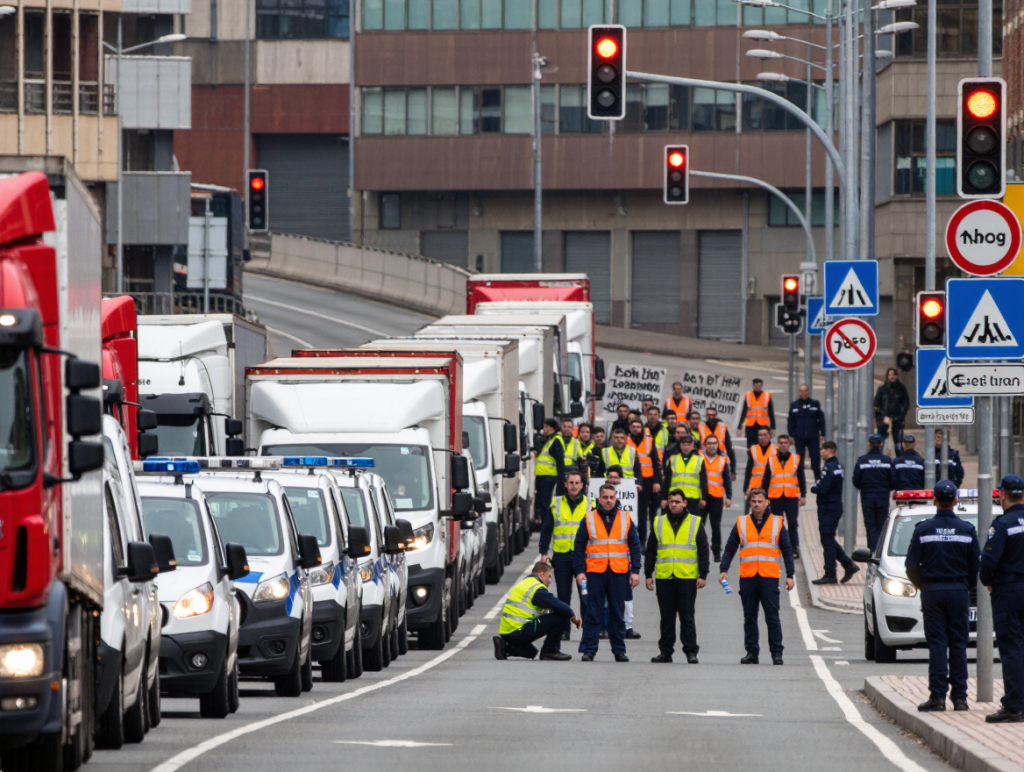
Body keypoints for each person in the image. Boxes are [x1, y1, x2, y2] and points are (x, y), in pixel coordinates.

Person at [905, 481, 980, 712]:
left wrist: (922, 585)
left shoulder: (923, 529)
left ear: (934, 500)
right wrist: (965, 586)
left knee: (937, 643)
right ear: (956, 501)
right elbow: (975, 566)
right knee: (958, 644)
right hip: (958, 592)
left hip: (932, 592)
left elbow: (910, 565)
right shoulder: (967, 530)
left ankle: (937, 697)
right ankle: (960, 698)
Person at [719, 488, 795, 665]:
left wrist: (790, 575)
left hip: (769, 577)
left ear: (767, 502)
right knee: (750, 617)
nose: (756, 504)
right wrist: (724, 569)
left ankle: (777, 653)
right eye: (753, 501)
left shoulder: (777, 522)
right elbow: (730, 547)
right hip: (748, 577)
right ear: (749, 502)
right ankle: (752, 652)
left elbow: (787, 550)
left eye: (760, 501)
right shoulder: (742, 523)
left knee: (772, 617)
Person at [573, 483, 642, 662]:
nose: (609, 500)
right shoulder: (589, 518)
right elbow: (578, 547)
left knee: (617, 613)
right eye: (605, 497)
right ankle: (589, 650)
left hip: (618, 572)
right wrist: (579, 572)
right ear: (599, 498)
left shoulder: (625, 518)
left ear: (616, 498)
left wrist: (635, 571)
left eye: (612, 497)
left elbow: (635, 545)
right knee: (592, 612)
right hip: (595, 572)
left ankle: (619, 650)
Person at [645, 490, 710, 664]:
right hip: (665, 577)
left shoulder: (695, 522)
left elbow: (703, 550)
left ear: (685, 503)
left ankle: (691, 651)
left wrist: (703, 574)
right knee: (666, 617)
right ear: (667, 502)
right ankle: (665, 652)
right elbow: (651, 550)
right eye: (671, 501)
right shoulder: (659, 522)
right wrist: (648, 574)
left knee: (687, 616)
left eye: (677, 501)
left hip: (687, 577)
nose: (674, 504)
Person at [980, 475, 1024, 723]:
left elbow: (988, 562)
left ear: (1002, 495)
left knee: (1012, 649)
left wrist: (988, 581)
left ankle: (1015, 705)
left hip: (1009, 592)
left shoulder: (1003, 525)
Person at [538, 470, 589, 642]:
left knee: (586, 595)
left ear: (582, 485)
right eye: (571, 482)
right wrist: (544, 553)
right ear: (565, 485)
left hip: (584, 559)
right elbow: (546, 530)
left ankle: (588, 630)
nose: (574, 485)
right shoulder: (555, 504)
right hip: (562, 558)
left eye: (577, 482)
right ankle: (564, 630)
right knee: (563, 596)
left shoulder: (590, 505)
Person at [493, 561, 581, 661]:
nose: (550, 580)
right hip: (518, 632)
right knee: (562, 616)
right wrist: (575, 619)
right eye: (549, 576)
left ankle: (505, 647)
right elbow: (563, 608)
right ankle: (550, 651)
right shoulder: (537, 590)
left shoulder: (524, 583)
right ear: (541, 575)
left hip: (507, 631)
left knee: (532, 652)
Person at [810, 441, 859, 585]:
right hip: (833, 506)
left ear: (830, 450)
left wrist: (815, 487)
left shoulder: (830, 467)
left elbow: (822, 487)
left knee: (827, 540)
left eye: (823, 449)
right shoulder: (837, 466)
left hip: (828, 507)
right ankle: (848, 565)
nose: (821, 452)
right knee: (828, 538)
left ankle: (831, 573)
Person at [759, 434, 805, 560]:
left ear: (789, 444)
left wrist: (804, 495)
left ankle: (793, 548)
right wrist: (763, 497)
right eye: (781, 443)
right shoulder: (771, 460)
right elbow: (766, 479)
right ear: (778, 444)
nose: (783, 445)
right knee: (776, 523)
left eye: (785, 443)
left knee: (792, 523)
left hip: (791, 496)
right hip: (775, 497)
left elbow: (801, 477)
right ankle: (775, 546)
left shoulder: (796, 459)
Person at [853, 433, 893, 553]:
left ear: (869, 445)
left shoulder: (862, 460)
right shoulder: (887, 460)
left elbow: (856, 480)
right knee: (881, 524)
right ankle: (881, 551)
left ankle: (872, 551)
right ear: (881, 444)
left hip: (867, 497)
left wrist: (864, 489)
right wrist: (886, 489)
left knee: (870, 525)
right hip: (882, 496)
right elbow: (893, 479)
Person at [628, 418, 662, 545]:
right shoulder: (626, 440)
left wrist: (657, 481)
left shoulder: (649, 440)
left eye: (638, 426)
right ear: (630, 428)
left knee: (643, 511)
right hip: (631, 480)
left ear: (642, 428)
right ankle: (632, 539)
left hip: (648, 480)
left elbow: (656, 462)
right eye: (633, 426)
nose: (635, 428)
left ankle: (642, 540)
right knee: (632, 511)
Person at [701, 434, 732, 562]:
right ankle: (701, 549)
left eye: (714, 443)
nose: (712, 445)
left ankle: (716, 551)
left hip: (716, 497)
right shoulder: (699, 459)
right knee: (699, 525)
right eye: (709, 443)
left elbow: (727, 480)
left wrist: (729, 496)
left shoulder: (722, 460)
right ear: (705, 445)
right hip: (701, 497)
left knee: (715, 526)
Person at [787, 384, 826, 481]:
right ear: (799, 392)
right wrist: (791, 434)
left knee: (815, 460)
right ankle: (801, 482)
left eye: (805, 391)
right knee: (799, 460)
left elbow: (821, 419)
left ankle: (818, 480)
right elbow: (791, 421)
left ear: (808, 392)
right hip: (799, 436)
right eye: (801, 391)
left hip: (812, 436)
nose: (803, 393)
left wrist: (823, 433)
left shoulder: (815, 404)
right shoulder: (794, 405)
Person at [663, 433, 707, 516]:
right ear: (680, 445)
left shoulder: (699, 460)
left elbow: (703, 481)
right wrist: (664, 498)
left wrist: (704, 498)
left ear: (692, 445)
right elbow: (667, 481)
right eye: (683, 444)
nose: (686, 447)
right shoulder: (673, 459)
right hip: (675, 498)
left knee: (693, 523)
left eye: (688, 445)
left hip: (693, 498)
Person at [533, 418, 563, 530]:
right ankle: (543, 524)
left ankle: (547, 525)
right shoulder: (550, 440)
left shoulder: (555, 441)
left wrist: (561, 479)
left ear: (551, 428)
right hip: (544, 476)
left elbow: (560, 461)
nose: (544, 429)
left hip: (548, 476)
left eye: (546, 427)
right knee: (541, 501)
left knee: (546, 502)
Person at [874, 367, 910, 454]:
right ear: (887, 376)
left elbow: (906, 404)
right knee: (881, 444)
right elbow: (876, 404)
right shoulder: (882, 389)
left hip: (897, 420)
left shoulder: (901, 388)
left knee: (898, 445)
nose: (892, 377)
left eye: (894, 374)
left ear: (896, 376)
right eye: (890, 375)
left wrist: (900, 417)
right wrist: (881, 418)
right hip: (883, 421)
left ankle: (899, 461)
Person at [699, 407, 737, 478]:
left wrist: (733, 470)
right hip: (705, 463)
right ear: (706, 416)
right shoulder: (701, 427)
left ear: (716, 415)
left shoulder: (722, 428)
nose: (711, 417)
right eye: (709, 415)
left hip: (721, 464)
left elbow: (730, 450)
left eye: (713, 415)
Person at [738, 378, 775, 448]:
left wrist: (773, 427)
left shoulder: (766, 396)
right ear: (753, 386)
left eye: (760, 385)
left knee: (762, 445)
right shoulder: (748, 396)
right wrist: (739, 426)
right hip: (750, 425)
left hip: (763, 426)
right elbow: (744, 411)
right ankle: (751, 458)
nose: (758, 387)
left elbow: (771, 412)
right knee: (751, 446)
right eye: (757, 385)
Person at [743, 428, 776, 499]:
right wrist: (746, 488)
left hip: (770, 487)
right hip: (755, 486)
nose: (762, 438)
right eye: (760, 435)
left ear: (769, 435)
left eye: (765, 435)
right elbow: (748, 470)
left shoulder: (776, 450)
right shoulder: (753, 449)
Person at [556, 416, 585, 495]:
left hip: (571, 476)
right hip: (556, 475)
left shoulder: (577, 443)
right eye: (564, 426)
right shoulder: (555, 441)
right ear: (561, 427)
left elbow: (582, 459)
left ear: (573, 429)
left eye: (569, 427)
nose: (566, 429)